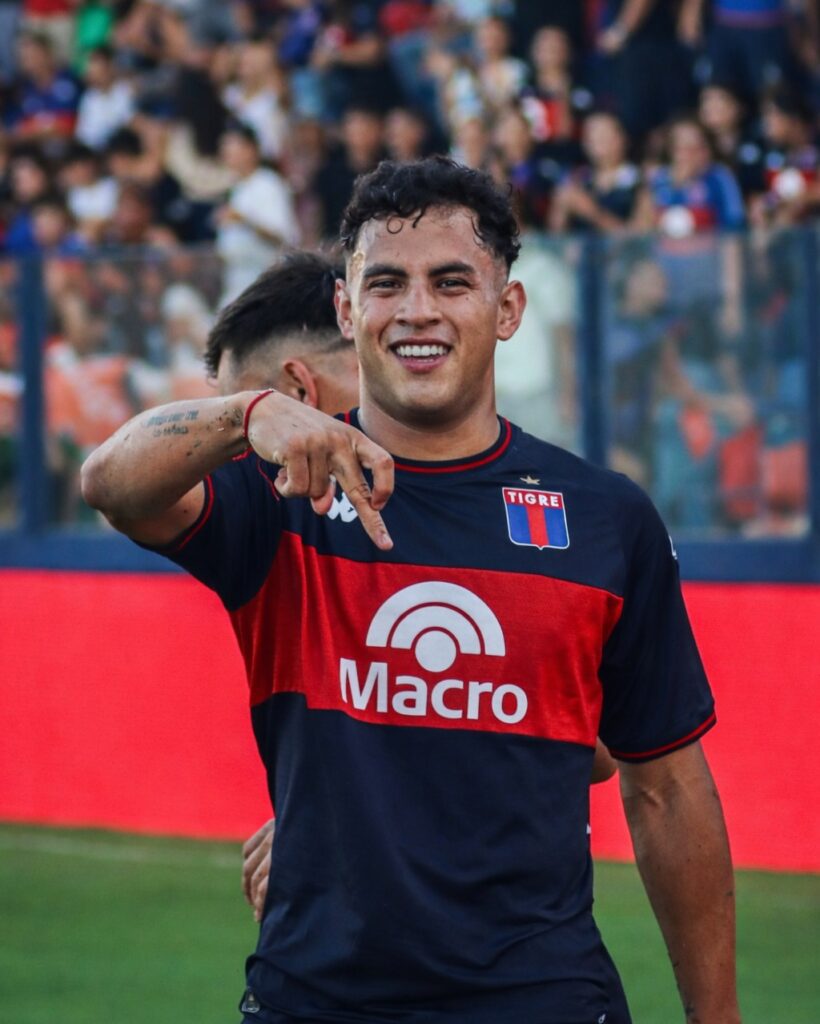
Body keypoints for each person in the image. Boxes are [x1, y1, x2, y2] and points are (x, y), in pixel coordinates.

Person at [81, 156, 739, 1024]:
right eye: (386, 283)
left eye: (452, 282)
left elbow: (664, 786)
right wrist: (247, 413)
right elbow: (112, 484)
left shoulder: (605, 517)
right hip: (315, 1000)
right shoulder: (280, 495)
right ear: (347, 310)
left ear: (507, 309)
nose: (417, 309)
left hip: (543, 1001)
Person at [214, 251, 616, 921]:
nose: (242, 450)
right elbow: (112, 483)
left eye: (252, 420)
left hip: (512, 944)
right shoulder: (298, 521)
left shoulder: (493, 495)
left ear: (297, 394)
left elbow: (593, 744)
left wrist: (357, 817)